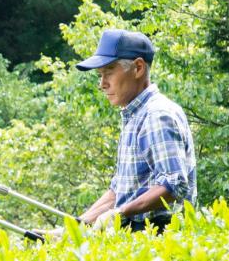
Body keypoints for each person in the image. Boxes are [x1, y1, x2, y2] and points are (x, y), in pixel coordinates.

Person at [76, 29, 196, 233]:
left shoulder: (157, 115)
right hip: (139, 237)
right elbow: (118, 192)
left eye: (109, 71)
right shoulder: (135, 115)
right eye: (100, 75)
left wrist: (121, 212)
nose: (102, 84)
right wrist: (74, 227)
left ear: (138, 68)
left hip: (160, 237)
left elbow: (173, 185)